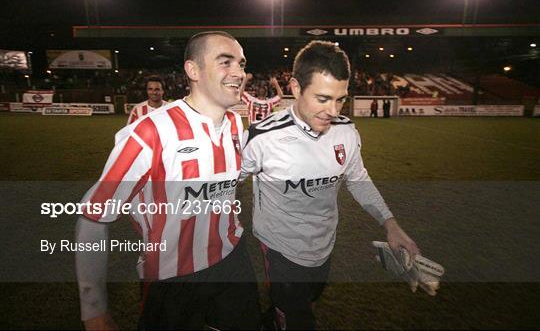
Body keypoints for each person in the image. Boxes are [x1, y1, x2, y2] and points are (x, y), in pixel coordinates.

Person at [76, 31, 260, 330]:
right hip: (172, 274)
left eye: (241, 63)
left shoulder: (235, 124)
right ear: (193, 70)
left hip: (232, 258)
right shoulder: (149, 132)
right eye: (225, 62)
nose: (239, 72)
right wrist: (93, 307)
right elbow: (93, 214)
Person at [241, 41, 419, 330]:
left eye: (340, 99)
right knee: (299, 320)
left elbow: (359, 179)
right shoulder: (262, 138)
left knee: (302, 306)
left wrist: (390, 224)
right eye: (322, 98)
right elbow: (222, 186)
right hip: (281, 250)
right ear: (296, 88)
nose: (333, 110)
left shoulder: (346, 132)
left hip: (324, 246)